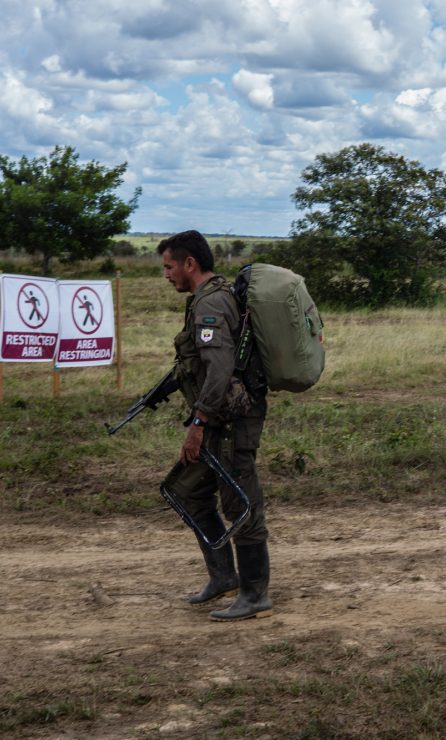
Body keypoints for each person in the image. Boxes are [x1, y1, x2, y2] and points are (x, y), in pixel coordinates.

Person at [157, 230, 272, 621]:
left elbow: (220, 368)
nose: (166, 274)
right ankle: (224, 576)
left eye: (169, 266)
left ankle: (255, 594)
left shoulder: (212, 303)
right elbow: (201, 363)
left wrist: (197, 422)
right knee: (187, 491)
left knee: (241, 501)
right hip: (218, 420)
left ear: (190, 264)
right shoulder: (204, 301)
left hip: (229, 422)